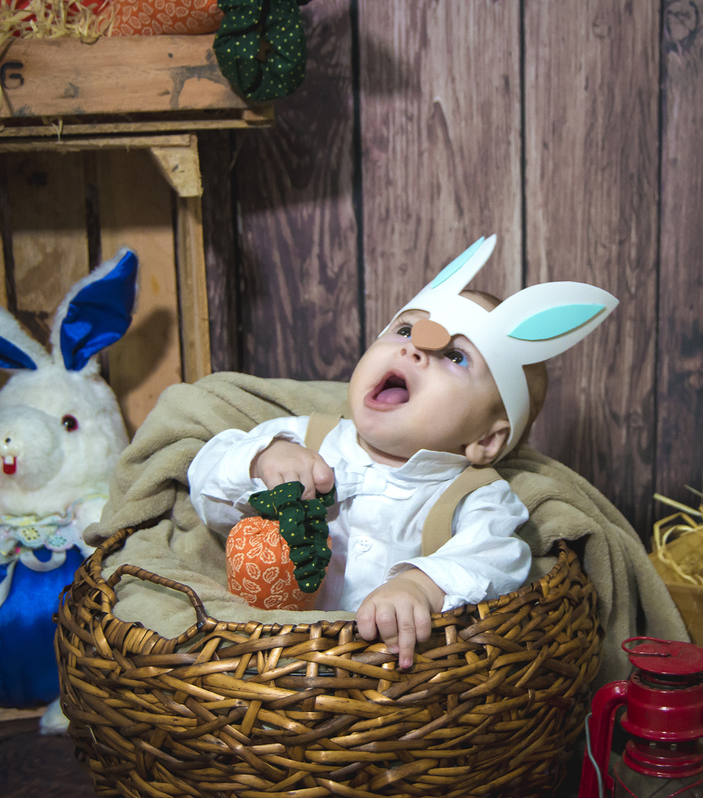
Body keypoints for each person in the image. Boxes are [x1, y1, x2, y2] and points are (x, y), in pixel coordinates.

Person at [188, 235, 618, 668]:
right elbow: (206, 485)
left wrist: (420, 586)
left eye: (455, 355)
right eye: (405, 329)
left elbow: (500, 558)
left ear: (486, 440)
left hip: (378, 683)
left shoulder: (473, 497)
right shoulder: (302, 437)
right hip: (260, 655)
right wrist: (261, 459)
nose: (413, 348)